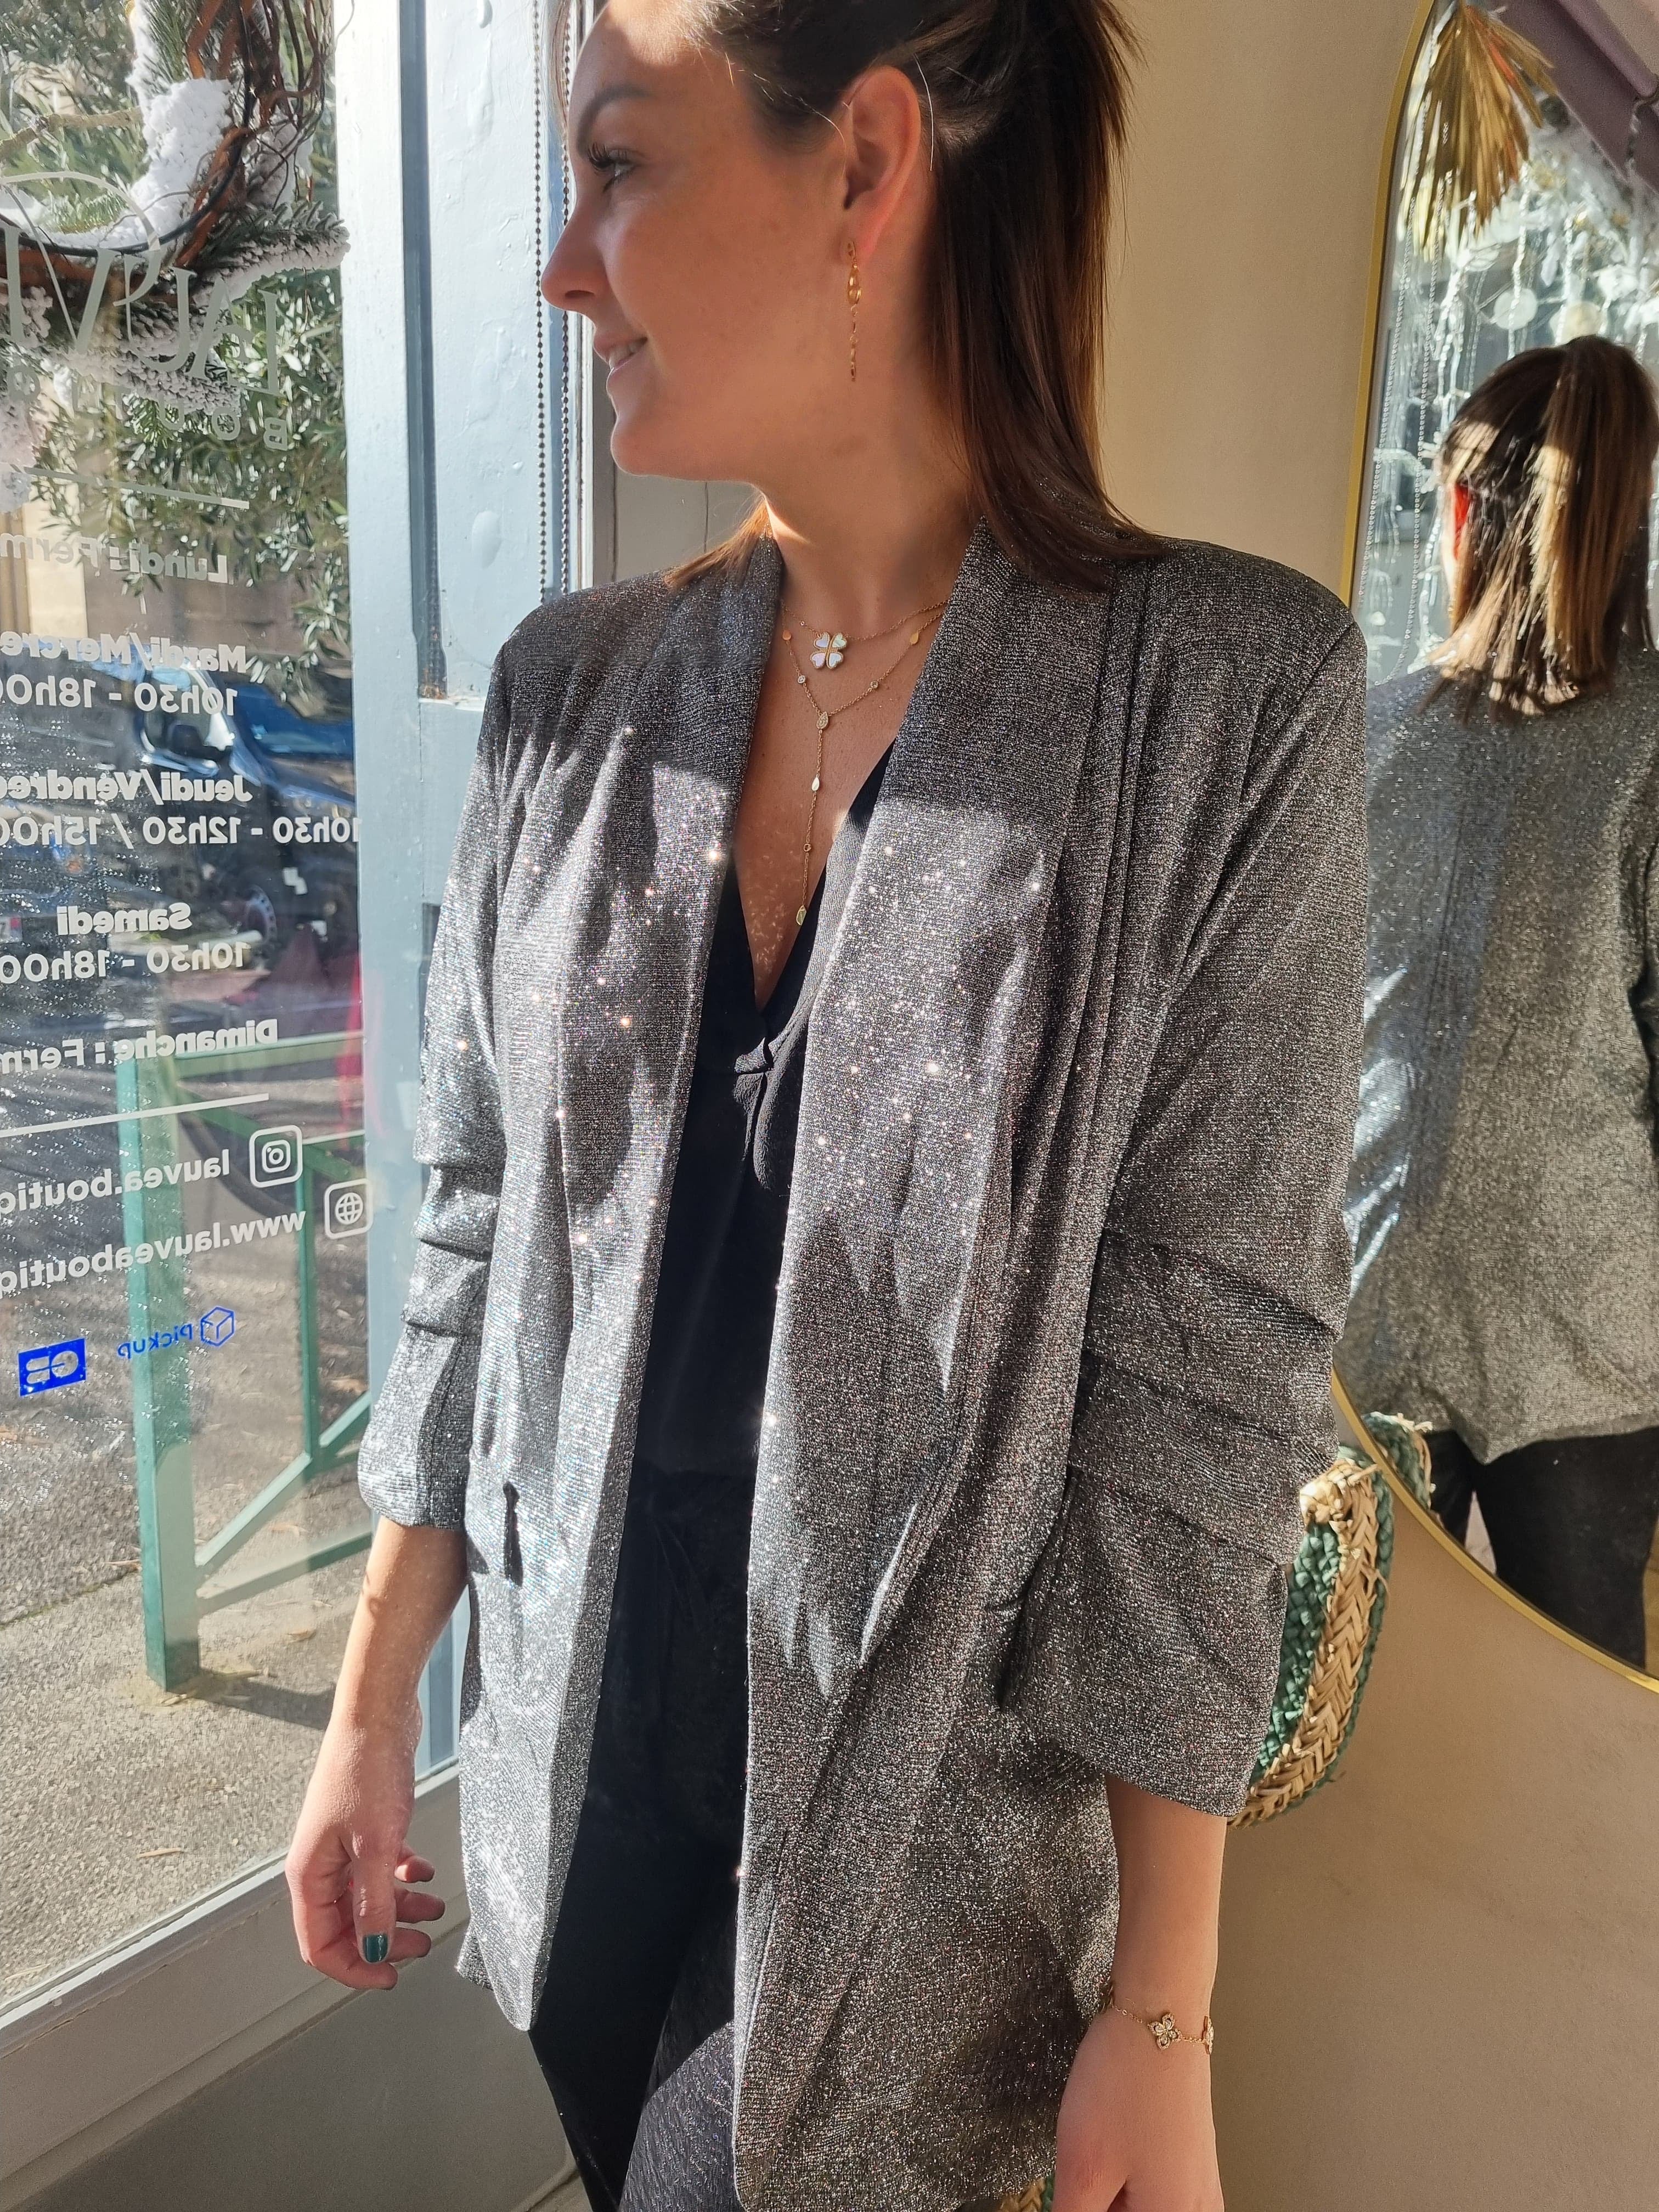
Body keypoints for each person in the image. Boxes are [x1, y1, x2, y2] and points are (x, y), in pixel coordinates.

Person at [285, 3, 1368, 2207]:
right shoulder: (575, 697)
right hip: (578, 1803)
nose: (560, 266)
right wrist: (373, 1697)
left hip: (920, 1904)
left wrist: (1166, 2004)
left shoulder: (1218, 709)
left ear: (865, 166)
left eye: (620, 164)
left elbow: (1199, 1385)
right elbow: (477, 1218)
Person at [1341, 335, 1659, 1671]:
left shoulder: (1369, 737)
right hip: (1581, 1339)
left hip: (1379, 1304)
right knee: (1583, 1722)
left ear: (1465, 515)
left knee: (1360, 1705)